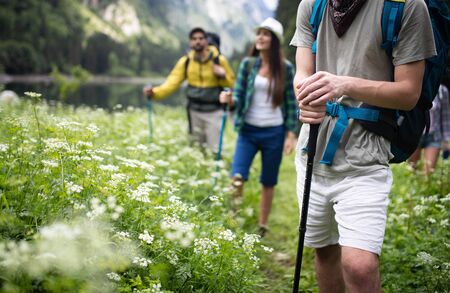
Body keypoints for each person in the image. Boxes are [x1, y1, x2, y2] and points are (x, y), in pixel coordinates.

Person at [290, 1, 436, 292]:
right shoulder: (313, 4)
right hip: (313, 151)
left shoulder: (405, 6)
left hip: (366, 157)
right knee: (325, 251)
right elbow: (302, 73)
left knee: (359, 265)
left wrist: (343, 85)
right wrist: (304, 97)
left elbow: (408, 93)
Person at [220, 17, 298, 237]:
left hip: (274, 131)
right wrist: (229, 100)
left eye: (265, 34)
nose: (260, 37)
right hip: (248, 131)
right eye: (259, 33)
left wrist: (290, 135)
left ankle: (262, 226)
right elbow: (238, 94)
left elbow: (292, 102)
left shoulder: (286, 68)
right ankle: (233, 221)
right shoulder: (248, 64)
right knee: (237, 176)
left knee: (268, 180)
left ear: (274, 40)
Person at [143, 27, 235, 154]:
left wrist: (223, 75)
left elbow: (231, 84)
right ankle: (199, 173)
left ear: (206, 41)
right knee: (197, 149)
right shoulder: (185, 62)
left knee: (215, 150)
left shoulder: (219, 60)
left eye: (201, 38)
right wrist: (154, 93)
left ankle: (215, 171)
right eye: (194, 39)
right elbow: (171, 82)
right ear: (190, 42)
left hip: (214, 111)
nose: (197, 41)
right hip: (194, 111)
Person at [408, 84, 450, 175]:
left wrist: (446, 141)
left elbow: (445, 117)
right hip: (415, 136)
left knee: (428, 173)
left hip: (434, 137)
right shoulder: (414, 87)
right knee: (412, 171)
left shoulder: (442, 91)